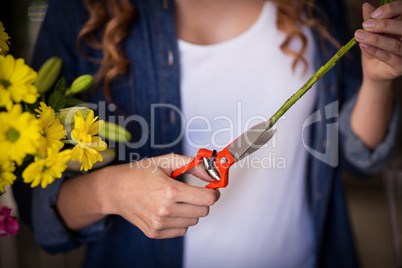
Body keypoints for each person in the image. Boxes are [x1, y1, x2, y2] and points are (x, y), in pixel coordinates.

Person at [12, 0, 401, 267]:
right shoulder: (79, 11)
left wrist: (377, 81)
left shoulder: (314, 6)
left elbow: (355, 155)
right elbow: (37, 207)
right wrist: (109, 191)